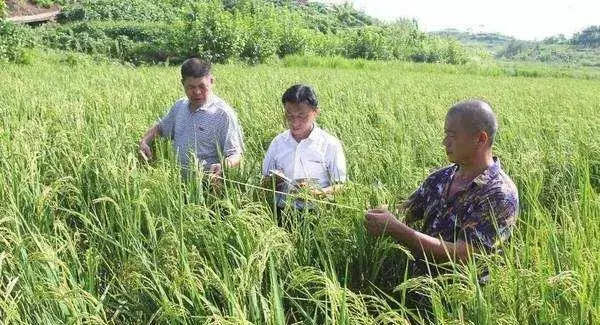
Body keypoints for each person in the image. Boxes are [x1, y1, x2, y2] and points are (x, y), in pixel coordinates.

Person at [365, 99, 519, 280]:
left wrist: (396, 229)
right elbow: (406, 212)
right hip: (415, 286)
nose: (445, 142)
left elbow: (464, 256)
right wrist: (378, 212)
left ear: (480, 139)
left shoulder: (499, 194)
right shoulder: (440, 178)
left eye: (452, 135)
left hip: (458, 300)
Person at [139, 58, 244, 180]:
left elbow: (236, 154)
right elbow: (161, 128)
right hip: (178, 185)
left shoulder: (222, 114)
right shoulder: (179, 106)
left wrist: (224, 165)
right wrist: (144, 141)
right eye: (191, 87)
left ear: (211, 81)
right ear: (182, 83)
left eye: (202, 86)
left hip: (208, 185)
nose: (197, 92)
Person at [261, 84, 347, 211]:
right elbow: (263, 183)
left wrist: (318, 193)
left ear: (315, 112)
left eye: (301, 116)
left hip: (317, 213)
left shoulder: (330, 145)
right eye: (289, 116)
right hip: (281, 211)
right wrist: (274, 182)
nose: (295, 122)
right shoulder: (278, 143)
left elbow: (341, 186)